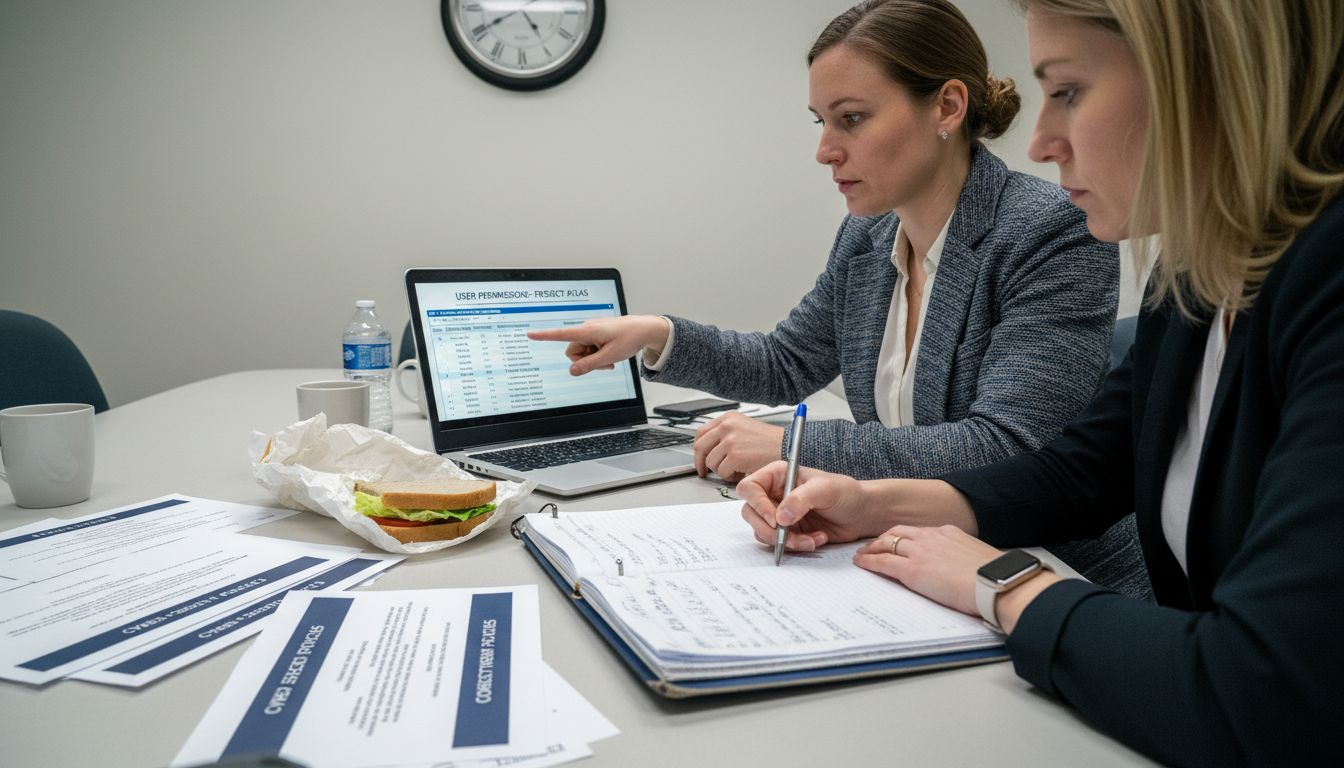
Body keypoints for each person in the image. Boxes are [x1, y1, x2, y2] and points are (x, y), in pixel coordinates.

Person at [738, 0, 1344, 763]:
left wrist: (1001, 584)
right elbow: (1079, 470)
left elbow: (1267, 690)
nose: (1040, 139)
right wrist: (872, 502)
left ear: (1206, 77)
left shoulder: (1324, 280)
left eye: (1067, 91)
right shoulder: (1194, 273)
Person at [529, 0, 1147, 597]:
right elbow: (787, 362)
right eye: (820, 121)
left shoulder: (1048, 230)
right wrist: (659, 336)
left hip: (1049, 572)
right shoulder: (869, 234)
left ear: (947, 107)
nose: (825, 149)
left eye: (850, 118)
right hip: (912, 557)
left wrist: (793, 446)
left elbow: (1007, 446)